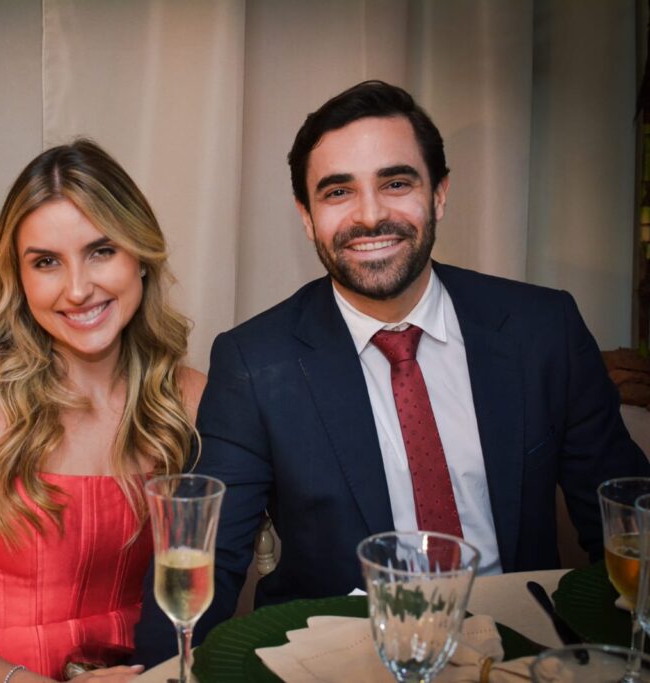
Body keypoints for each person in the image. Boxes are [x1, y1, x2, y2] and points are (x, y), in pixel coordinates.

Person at [133, 80, 650, 665]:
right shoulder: (253, 362)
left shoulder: (542, 329)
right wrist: (154, 673)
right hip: (341, 662)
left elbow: (626, 519)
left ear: (440, 194)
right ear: (306, 217)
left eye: (396, 183)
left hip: (519, 655)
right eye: (338, 192)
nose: (371, 215)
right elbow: (207, 556)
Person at [0, 139, 206, 682]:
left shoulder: (189, 400)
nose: (77, 290)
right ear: (20, 278)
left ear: (141, 258)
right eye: (47, 262)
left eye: (101, 251)